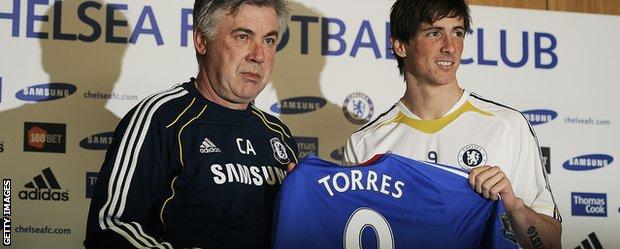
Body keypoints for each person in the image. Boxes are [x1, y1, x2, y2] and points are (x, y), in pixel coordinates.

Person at [343, 0, 562, 248]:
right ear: (400, 45)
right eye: (434, 33)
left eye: (457, 33)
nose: (450, 47)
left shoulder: (508, 125)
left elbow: (551, 244)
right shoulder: (365, 143)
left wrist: (513, 206)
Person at [85, 0, 298, 248]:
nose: (259, 55)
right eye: (243, 36)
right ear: (201, 40)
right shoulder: (160, 118)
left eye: (269, 40)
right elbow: (109, 228)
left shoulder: (278, 134)